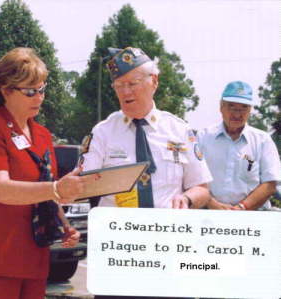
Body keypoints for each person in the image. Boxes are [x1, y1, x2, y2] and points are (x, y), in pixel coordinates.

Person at [0, 47, 96, 299]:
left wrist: (65, 226)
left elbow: (45, 191)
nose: (39, 97)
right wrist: (56, 188)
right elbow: (1, 189)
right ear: (5, 90)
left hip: (34, 258)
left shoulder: (43, 135)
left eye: (42, 89)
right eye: (30, 91)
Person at [81, 46, 213, 299]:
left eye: (133, 83)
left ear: (154, 82)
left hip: (170, 251)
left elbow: (202, 189)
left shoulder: (180, 130)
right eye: (119, 86)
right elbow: (83, 185)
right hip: (119, 253)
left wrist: (186, 199)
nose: (126, 92)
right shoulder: (102, 132)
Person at [198, 81, 281, 210]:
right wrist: (211, 204)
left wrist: (242, 208)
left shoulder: (263, 140)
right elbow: (192, 179)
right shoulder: (203, 137)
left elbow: (270, 184)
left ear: (250, 110)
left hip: (252, 216)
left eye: (243, 107)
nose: (237, 114)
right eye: (231, 106)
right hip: (208, 213)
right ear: (221, 107)